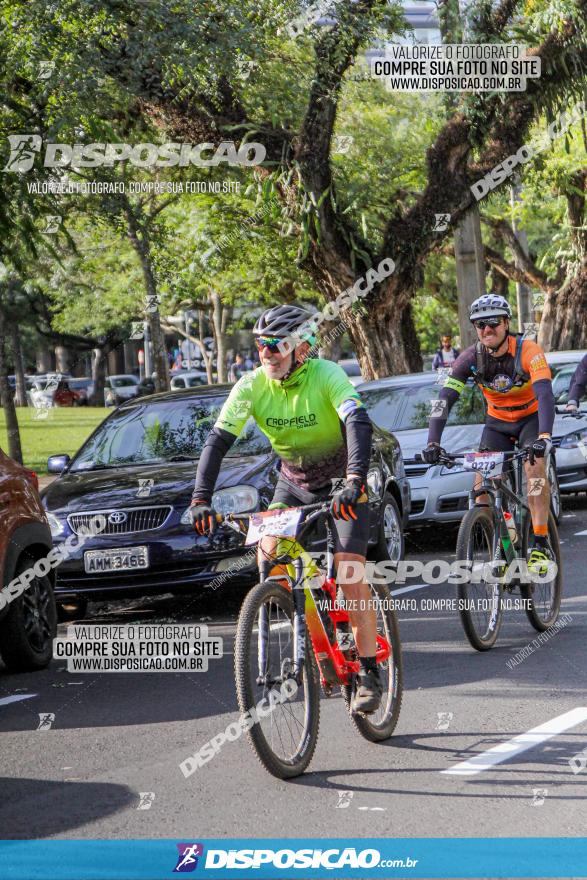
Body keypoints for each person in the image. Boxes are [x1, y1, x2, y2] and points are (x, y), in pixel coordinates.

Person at [187, 305, 382, 713]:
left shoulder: (326, 374)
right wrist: (200, 498)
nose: (267, 353)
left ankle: (367, 671)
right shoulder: (251, 385)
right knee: (270, 555)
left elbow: (357, 423)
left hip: (342, 483)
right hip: (293, 483)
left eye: (276, 345)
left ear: (302, 348)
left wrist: (354, 481)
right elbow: (217, 442)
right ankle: (322, 642)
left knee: (348, 569)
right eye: (261, 345)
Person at [422, 294, 556, 572]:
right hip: (497, 423)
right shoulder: (470, 358)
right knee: (482, 486)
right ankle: (503, 543)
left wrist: (544, 436)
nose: (486, 330)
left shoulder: (529, 351)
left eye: (493, 322)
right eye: (479, 324)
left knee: (535, 471)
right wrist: (432, 441)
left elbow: (544, 394)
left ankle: (541, 543)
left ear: (506, 323)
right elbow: (444, 399)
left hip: (530, 420)